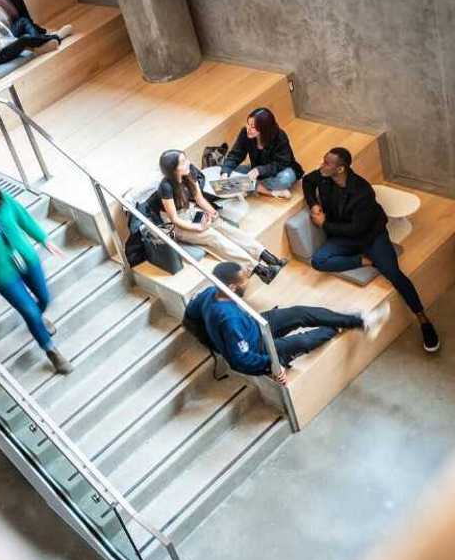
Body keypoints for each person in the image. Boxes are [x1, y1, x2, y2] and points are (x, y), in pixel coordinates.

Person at [304, 147, 439, 352]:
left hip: (370, 236)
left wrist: (324, 224)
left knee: (394, 273)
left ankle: (423, 320)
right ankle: (366, 261)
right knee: (318, 261)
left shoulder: (362, 192)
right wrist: (313, 205)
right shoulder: (323, 177)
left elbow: (356, 229)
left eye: (326, 163)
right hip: (344, 238)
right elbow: (307, 181)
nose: (321, 165)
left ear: (340, 169)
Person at [188, 262, 389, 385]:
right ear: (231, 287)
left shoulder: (209, 293)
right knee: (302, 341)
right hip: (258, 347)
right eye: (244, 281)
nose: (247, 282)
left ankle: (360, 321)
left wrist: (209, 339)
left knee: (301, 313)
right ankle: (335, 327)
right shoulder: (229, 320)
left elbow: (189, 317)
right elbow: (240, 360)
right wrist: (271, 366)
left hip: (256, 324)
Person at [0, 173, 70, 372]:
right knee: (29, 311)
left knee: (44, 298)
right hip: (2, 274)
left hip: (27, 259)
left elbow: (25, 220)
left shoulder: (5, 201)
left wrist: (45, 240)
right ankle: (52, 351)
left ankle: (38, 319)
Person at [146, 150, 285, 283]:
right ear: (173, 168)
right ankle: (260, 270)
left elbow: (199, 199)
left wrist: (213, 212)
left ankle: (268, 258)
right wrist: (198, 227)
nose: (188, 162)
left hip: (191, 211)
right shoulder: (165, 187)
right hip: (177, 223)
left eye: (186, 159)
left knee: (223, 226)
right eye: (183, 162)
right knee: (213, 236)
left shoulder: (190, 172)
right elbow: (175, 219)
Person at [220, 107, 304, 199]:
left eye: (253, 127)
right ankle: (269, 191)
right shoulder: (245, 132)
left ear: (264, 128)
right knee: (224, 169)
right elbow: (236, 154)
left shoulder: (280, 137)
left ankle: (248, 186)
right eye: (248, 124)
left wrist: (259, 170)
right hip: (257, 170)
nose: (248, 129)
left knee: (284, 179)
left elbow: (281, 163)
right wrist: (225, 173)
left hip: (281, 170)